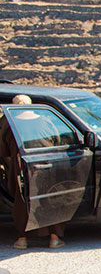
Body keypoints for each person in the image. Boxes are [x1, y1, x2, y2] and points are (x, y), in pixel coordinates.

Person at [2, 94, 66, 249]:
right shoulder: (46, 121)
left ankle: (22, 239)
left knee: (22, 201)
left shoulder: (10, 124)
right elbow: (56, 141)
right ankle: (54, 237)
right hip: (45, 165)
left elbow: (3, 149)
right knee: (48, 199)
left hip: (21, 167)